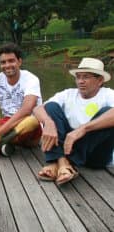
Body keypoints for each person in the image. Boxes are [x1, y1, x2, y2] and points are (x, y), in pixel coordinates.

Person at [35, 57, 114, 185]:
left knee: (108, 113)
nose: (80, 81)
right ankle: (63, 163)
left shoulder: (108, 94)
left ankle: (58, 162)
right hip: (68, 148)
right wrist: (48, 122)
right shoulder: (68, 94)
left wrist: (83, 129)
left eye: (86, 77)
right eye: (78, 77)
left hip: (95, 156)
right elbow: (38, 108)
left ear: (100, 80)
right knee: (51, 107)